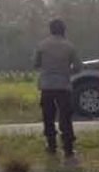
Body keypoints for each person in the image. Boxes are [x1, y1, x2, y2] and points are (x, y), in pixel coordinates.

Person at [33, 19, 82, 157]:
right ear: (64, 30)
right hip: (63, 86)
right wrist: (66, 72)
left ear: (50, 30)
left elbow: (36, 64)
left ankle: (51, 145)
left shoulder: (42, 45)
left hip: (47, 86)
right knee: (65, 117)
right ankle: (68, 147)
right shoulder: (69, 46)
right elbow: (78, 67)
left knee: (48, 116)